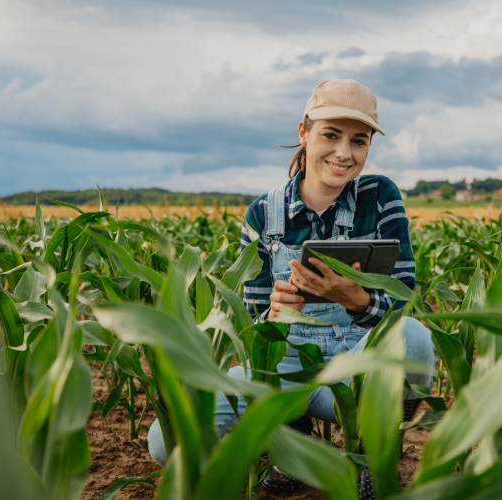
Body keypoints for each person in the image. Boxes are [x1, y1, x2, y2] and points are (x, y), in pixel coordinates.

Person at [148, 79, 435, 498]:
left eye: (359, 141)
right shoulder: (264, 213)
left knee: (414, 338)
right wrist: (273, 315)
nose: (344, 153)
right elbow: (251, 325)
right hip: (285, 369)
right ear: (304, 132)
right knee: (167, 442)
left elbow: (402, 297)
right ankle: (295, 441)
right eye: (330, 135)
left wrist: (353, 297)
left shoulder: (381, 197)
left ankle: (374, 448)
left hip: (356, 365)